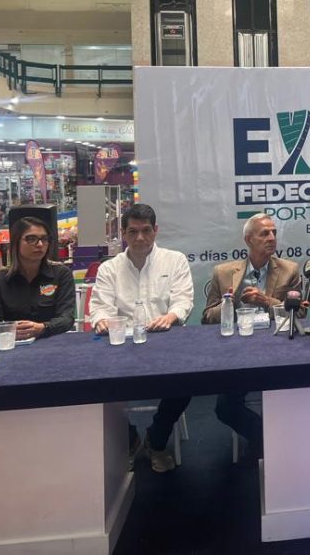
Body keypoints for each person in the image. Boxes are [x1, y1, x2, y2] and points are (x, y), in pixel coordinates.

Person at [87, 203, 194, 473]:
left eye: (146, 230)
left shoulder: (175, 260)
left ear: (155, 230)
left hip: (166, 342)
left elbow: (183, 300)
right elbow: (99, 307)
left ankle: (155, 441)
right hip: (121, 347)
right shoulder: (109, 268)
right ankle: (130, 438)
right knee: (94, 386)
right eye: (133, 232)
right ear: (123, 233)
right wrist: (102, 320)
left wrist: (171, 316)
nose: (140, 238)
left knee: (186, 383)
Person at [202, 213, 301, 460]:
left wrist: (265, 300)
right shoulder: (224, 273)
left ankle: (279, 444)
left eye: (274, 232)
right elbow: (206, 318)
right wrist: (231, 302)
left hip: (277, 349)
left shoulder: (290, 270)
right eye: (264, 233)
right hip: (237, 352)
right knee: (225, 407)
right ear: (248, 240)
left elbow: (299, 313)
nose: (271, 238)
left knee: (295, 395)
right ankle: (265, 438)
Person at [0, 216, 75, 339]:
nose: (40, 244)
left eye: (44, 239)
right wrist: (11, 328)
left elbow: (67, 319)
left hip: (52, 341)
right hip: (13, 342)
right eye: (31, 239)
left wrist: (43, 328)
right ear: (16, 242)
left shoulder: (62, 274)